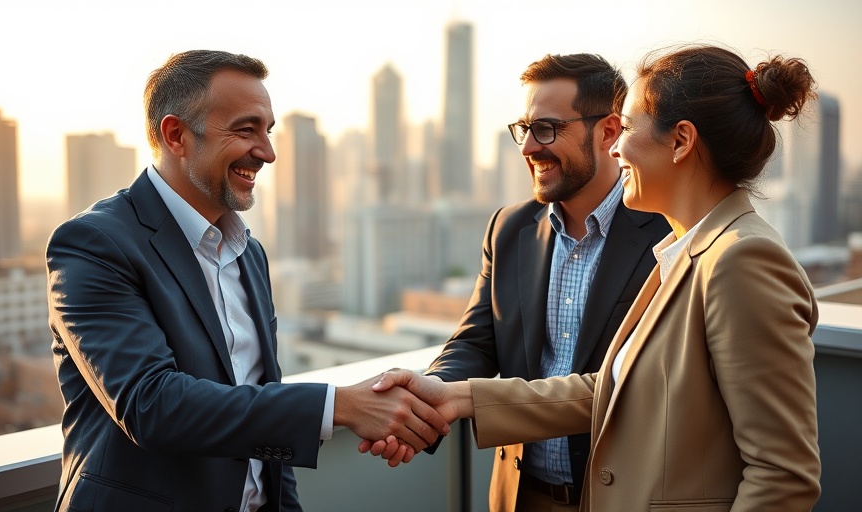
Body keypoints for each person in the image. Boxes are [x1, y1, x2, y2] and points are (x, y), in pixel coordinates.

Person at [371, 44, 821, 511]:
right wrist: (449, 397)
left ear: (681, 141)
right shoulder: (686, 247)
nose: (618, 146)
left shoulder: (741, 258)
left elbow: (782, 475)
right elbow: (610, 389)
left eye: (626, 127)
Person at [46, 50, 448, 512]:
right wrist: (341, 406)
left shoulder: (247, 252)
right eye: (245, 130)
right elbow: (150, 404)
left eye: (268, 131)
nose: (268, 152)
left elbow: (263, 415)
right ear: (176, 135)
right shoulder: (94, 243)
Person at [364, 53, 669, 510]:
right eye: (523, 129)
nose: (528, 147)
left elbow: (645, 384)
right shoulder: (509, 229)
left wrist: (450, 402)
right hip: (520, 495)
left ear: (608, 131)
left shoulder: (667, 236)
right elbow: (475, 342)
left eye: (546, 129)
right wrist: (423, 406)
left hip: (623, 497)